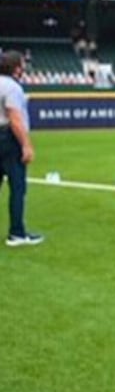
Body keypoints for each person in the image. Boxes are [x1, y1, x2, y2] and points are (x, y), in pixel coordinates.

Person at [0, 49, 43, 247]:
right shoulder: (12, 87)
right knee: (17, 187)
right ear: (16, 68)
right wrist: (26, 145)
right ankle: (17, 232)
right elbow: (15, 118)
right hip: (8, 138)